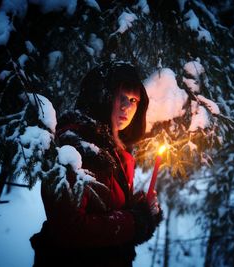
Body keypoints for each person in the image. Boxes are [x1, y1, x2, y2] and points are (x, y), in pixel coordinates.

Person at [30, 61, 162, 267]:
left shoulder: (119, 152)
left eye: (133, 99)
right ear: (101, 95)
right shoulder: (75, 145)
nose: (127, 107)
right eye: (120, 96)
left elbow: (107, 206)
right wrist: (135, 221)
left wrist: (141, 209)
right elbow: (69, 229)